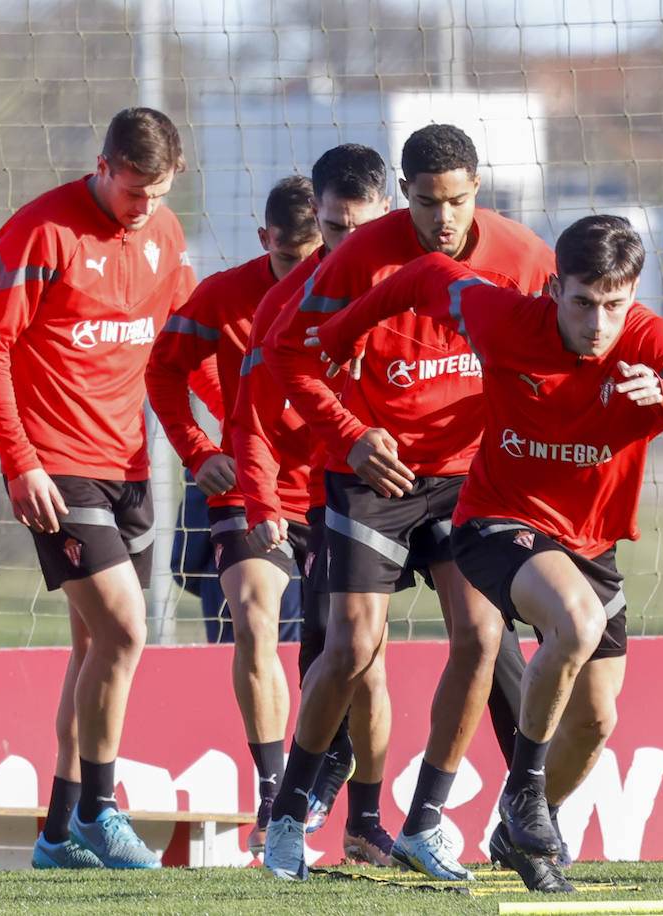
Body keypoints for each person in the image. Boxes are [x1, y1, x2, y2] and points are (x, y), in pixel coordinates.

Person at [306, 214, 663, 891]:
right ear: (552, 287)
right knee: (575, 623)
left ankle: (523, 828)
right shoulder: (501, 315)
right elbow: (426, 275)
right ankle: (525, 793)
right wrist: (342, 333)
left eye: (614, 304)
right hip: (494, 521)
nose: (598, 323)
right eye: (581, 302)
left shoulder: (651, 341)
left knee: (599, 717)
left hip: (589, 543)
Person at [261, 124, 556, 882]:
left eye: (457, 200)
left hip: (467, 477)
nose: (444, 218)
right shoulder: (362, 255)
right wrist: (352, 433)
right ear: (406, 192)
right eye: (428, 203)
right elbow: (293, 357)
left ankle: (426, 820)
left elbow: (558, 355)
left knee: (482, 639)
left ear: (477, 188)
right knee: (354, 649)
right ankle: (288, 817)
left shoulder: (524, 258)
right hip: (373, 474)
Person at [0, 107, 196, 870]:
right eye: (133, 192)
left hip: (129, 465)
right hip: (56, 467)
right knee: (128, 631)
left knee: (95, 644)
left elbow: (181, 346)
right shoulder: (40, 233)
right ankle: (101, 808)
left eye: (158, 193)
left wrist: (220, 430)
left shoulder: (165, 236)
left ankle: (58, 834)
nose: (144, 208)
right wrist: (19, 461)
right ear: (102, 167)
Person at [146, 175, 320, 855]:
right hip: (247, 484)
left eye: (313, 259)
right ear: (264, 240)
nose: (299, 275)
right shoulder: (221, 296)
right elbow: (162, 372)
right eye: (286, 259)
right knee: (254, 617)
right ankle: (274, 793)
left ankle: (351, 800)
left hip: (338, 484)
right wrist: (197, 449)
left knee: (348, 647)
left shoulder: (355, 292)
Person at [231, 143, 395, 864]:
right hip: (320, 498)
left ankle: (370, 818)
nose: (344, 247)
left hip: (417, 488)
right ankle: (288, 798)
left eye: (359, 230)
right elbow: (250, 415)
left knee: (462, 646)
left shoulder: (426, 283)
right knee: (340, 648)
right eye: (332, 231)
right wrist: (255, 494)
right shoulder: (282, 305)